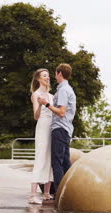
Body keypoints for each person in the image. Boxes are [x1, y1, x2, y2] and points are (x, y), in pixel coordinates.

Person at [38, 63, 76, 193]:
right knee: (65, 162)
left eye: (55, 73)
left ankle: (59, 193)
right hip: (65, 129)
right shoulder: (67, 89)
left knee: (57, 162)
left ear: (59, 74)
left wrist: (46, 104)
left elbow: (61, 112)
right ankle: (71, 190)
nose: (54, 76)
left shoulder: (63, 90)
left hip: (60, 129)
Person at [28, 68, 54, 204]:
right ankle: (32, 195)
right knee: (40, 157)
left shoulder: (51, 96)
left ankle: (46, 193)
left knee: (50, 158)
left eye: (48, 76)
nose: (47, 78)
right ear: (38, 79)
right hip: (42, 126)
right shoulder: (36, 94)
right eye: (44, 76)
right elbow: (36, 116)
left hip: (52, 127)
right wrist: (39, 104)